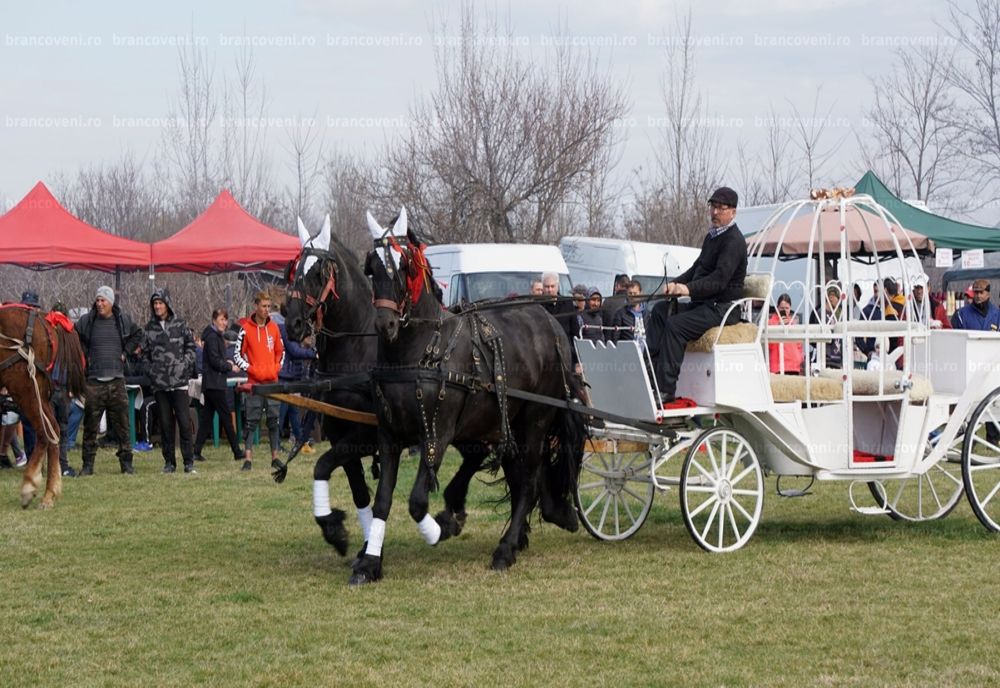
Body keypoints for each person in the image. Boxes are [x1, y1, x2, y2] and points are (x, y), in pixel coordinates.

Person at [645, 187, 747, 406]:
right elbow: (696, 268)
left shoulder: (734, 241)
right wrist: (674, 284)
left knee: (676, 325)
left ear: (733, 212)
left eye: (721, 208)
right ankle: (652, 378)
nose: (715, 212)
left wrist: (687, 289)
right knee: (660, 311)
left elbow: (720, 279)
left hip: (723, 308)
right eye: (713, 206)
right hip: (704, 305)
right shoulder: (712, 237)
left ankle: (665, 391)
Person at [76, 285, 143, 475]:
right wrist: (85, 354)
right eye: (97, 300)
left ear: (111, 302)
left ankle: (127, 464)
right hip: (94, 381)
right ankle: (88, 465)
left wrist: (125, 352)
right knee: (90, 426)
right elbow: (75, 334)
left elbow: (139, 334)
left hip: (116, 380)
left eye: (103, 300)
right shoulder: (87, 321)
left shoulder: (122, 320)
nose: (99, 304)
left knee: (123, 426)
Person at [141, 289, 197, 474]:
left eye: (160, 303)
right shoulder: (149, 329)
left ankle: (189, 462)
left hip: (179, 382)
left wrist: (185, 364)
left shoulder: (180, 324)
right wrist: (152, 372)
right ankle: (169, 463)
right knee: (166, 424)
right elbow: (144, 355)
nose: (157, 306)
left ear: (167, 304)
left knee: (184, 421)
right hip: (160, 384)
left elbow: (191, 346)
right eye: (155, 303)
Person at [234, 291, 285, 471]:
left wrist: (277, 367)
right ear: (256, 306)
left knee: (274, 421)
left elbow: (281, 351)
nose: (266, 310)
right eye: (263, 306)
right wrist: (251, 369)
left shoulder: (274, 328)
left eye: (268, 306)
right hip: (254, 384)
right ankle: (247, 459)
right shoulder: (245, 329)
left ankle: (275, 457)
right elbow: (237, 355)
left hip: (272, 381)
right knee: (251, 421)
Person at [192, 309, 244, 463]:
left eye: (225, 320)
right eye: (221, 319)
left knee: (206, 418)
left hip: (212, 383)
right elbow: (215, 361)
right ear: (214, 320)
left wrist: (226, 363)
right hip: (215, 383)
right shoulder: (213, 338)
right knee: (227, 417)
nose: (224, 323)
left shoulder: (213, 336)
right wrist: (230, 367)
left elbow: (214, 359)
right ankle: (237, 451)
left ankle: (196, 451)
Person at [953, 279, 1000, 444]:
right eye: (976, 292)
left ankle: (993, 437)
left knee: (992, 402)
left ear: (988, 293)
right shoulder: (961, 314)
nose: (978, 296)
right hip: (968, 366)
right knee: (967, 404)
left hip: (992, 367)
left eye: (981, 292)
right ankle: (964, 437)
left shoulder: (997, 314)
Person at [274, 304, 317, 455]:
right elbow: (294, 350)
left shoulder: (291, 327)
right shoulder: (284, 328)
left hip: (292, 375)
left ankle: (300, 441)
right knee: (282, 411)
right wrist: (313, 354)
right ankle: (276, 444)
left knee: (293, 412)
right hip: (284, 374)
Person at [767, 293, 803, 374]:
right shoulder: (771, 323)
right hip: (778, 365)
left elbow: (799, 344)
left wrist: (799, 358)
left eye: (787, 308)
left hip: (794, 366)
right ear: (777, 308)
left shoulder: (793, 323)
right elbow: (769, 345)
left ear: (790, 308)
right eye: (782, 308)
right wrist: (778, 327)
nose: (784, 310)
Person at [610, 280, 647, 344]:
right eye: (630, 293)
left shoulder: (647, 314)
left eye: (635, 293)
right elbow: (615, 338)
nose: (632, 296)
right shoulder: (620, 314)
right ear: (627, 294)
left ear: (640, 293)